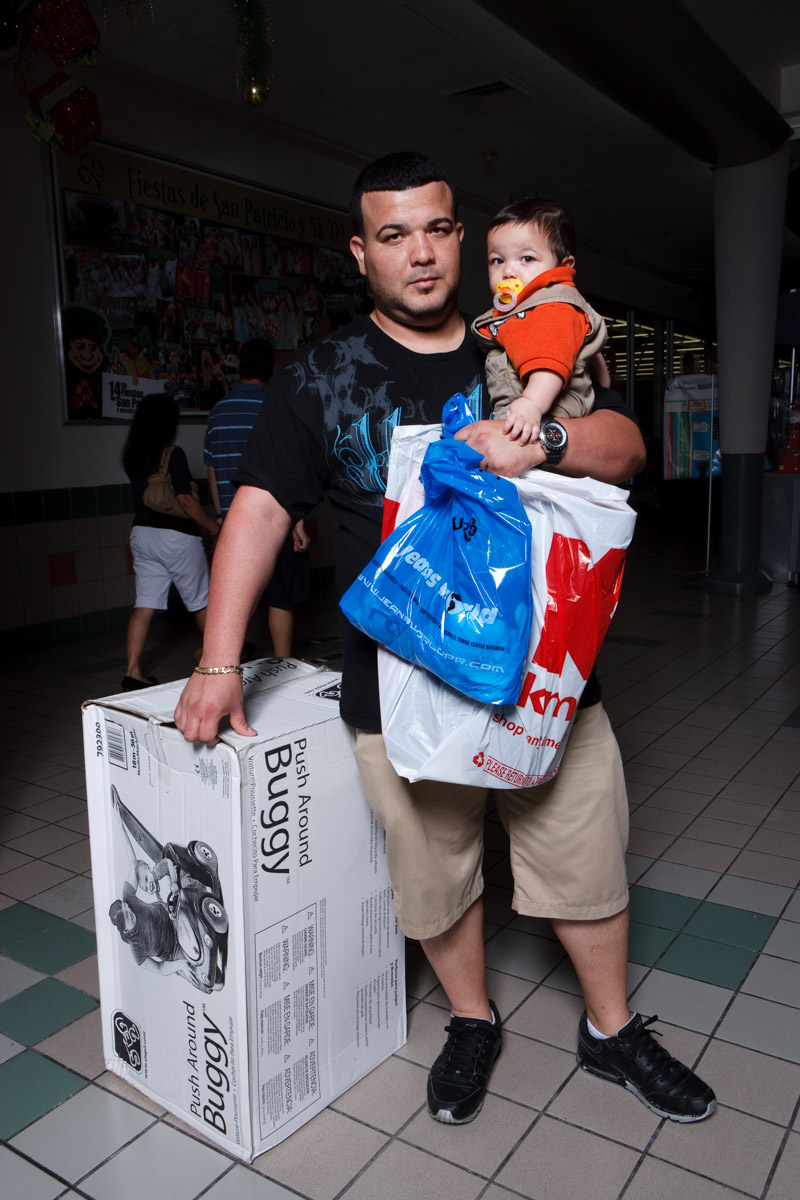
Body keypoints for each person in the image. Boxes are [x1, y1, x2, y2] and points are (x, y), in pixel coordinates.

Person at [174, 152, 715, 1128]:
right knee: (435, 874)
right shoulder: (318, 377)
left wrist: (540, 436)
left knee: (581, 855)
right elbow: (256, 513)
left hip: (542, 675)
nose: (417, 254)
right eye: (391, 235)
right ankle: (471, 1019)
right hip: (397, 687)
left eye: (434, 229)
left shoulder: (526, 338)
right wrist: (218, 659)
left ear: (460, 238)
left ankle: (608, 1028)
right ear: (359, 251)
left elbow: (626, 452)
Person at [203, 337, 310, 658]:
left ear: (238, 366)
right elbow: (291, 467)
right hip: (273, 520)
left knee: (235, 598)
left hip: (231, 521)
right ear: (273, 368)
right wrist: (298, 521)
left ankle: (222, 663)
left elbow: (212, 466)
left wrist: (222, 514)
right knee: (280, 597)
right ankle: (283, 664)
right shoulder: (276, 405)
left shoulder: (218, 412)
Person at [472, 197, 607, 446]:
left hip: (542, 417)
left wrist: (532, 403)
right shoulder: (528, 311)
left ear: (563, 265)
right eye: (497, 260)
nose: (508, 272)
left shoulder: (551, 307)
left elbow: (549, 363)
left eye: (527, 259)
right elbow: (596, 364)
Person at [122, 393, 220, 691]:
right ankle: (216, 661)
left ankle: (132, 671)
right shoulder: (172, 453)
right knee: (202, 601)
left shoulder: (132, 454)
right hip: (176, 538)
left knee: (145, 604)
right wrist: (212, 527)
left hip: (142, 535)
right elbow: (184, 500)